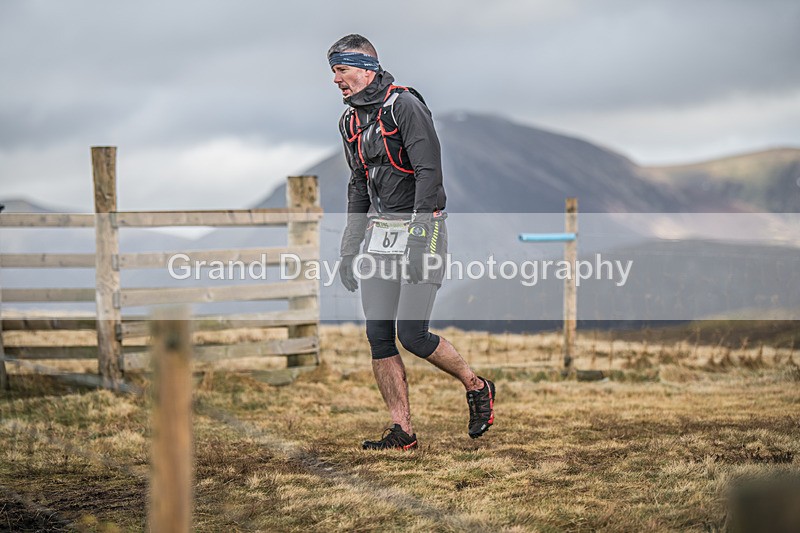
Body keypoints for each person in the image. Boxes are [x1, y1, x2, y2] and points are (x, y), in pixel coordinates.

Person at [327, 34, 496, 450]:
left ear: (366, 68)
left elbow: (428, 172)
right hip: (380, 237)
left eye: (341, 70)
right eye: (332, 72)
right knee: (379, 335)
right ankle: (403, 431)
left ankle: (476, 386)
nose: (335, 80)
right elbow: (358, 184)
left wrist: (420, 235)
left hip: (424, 228)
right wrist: (350, 247)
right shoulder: (350, 122)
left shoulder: (405, 106)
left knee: (413, 335)